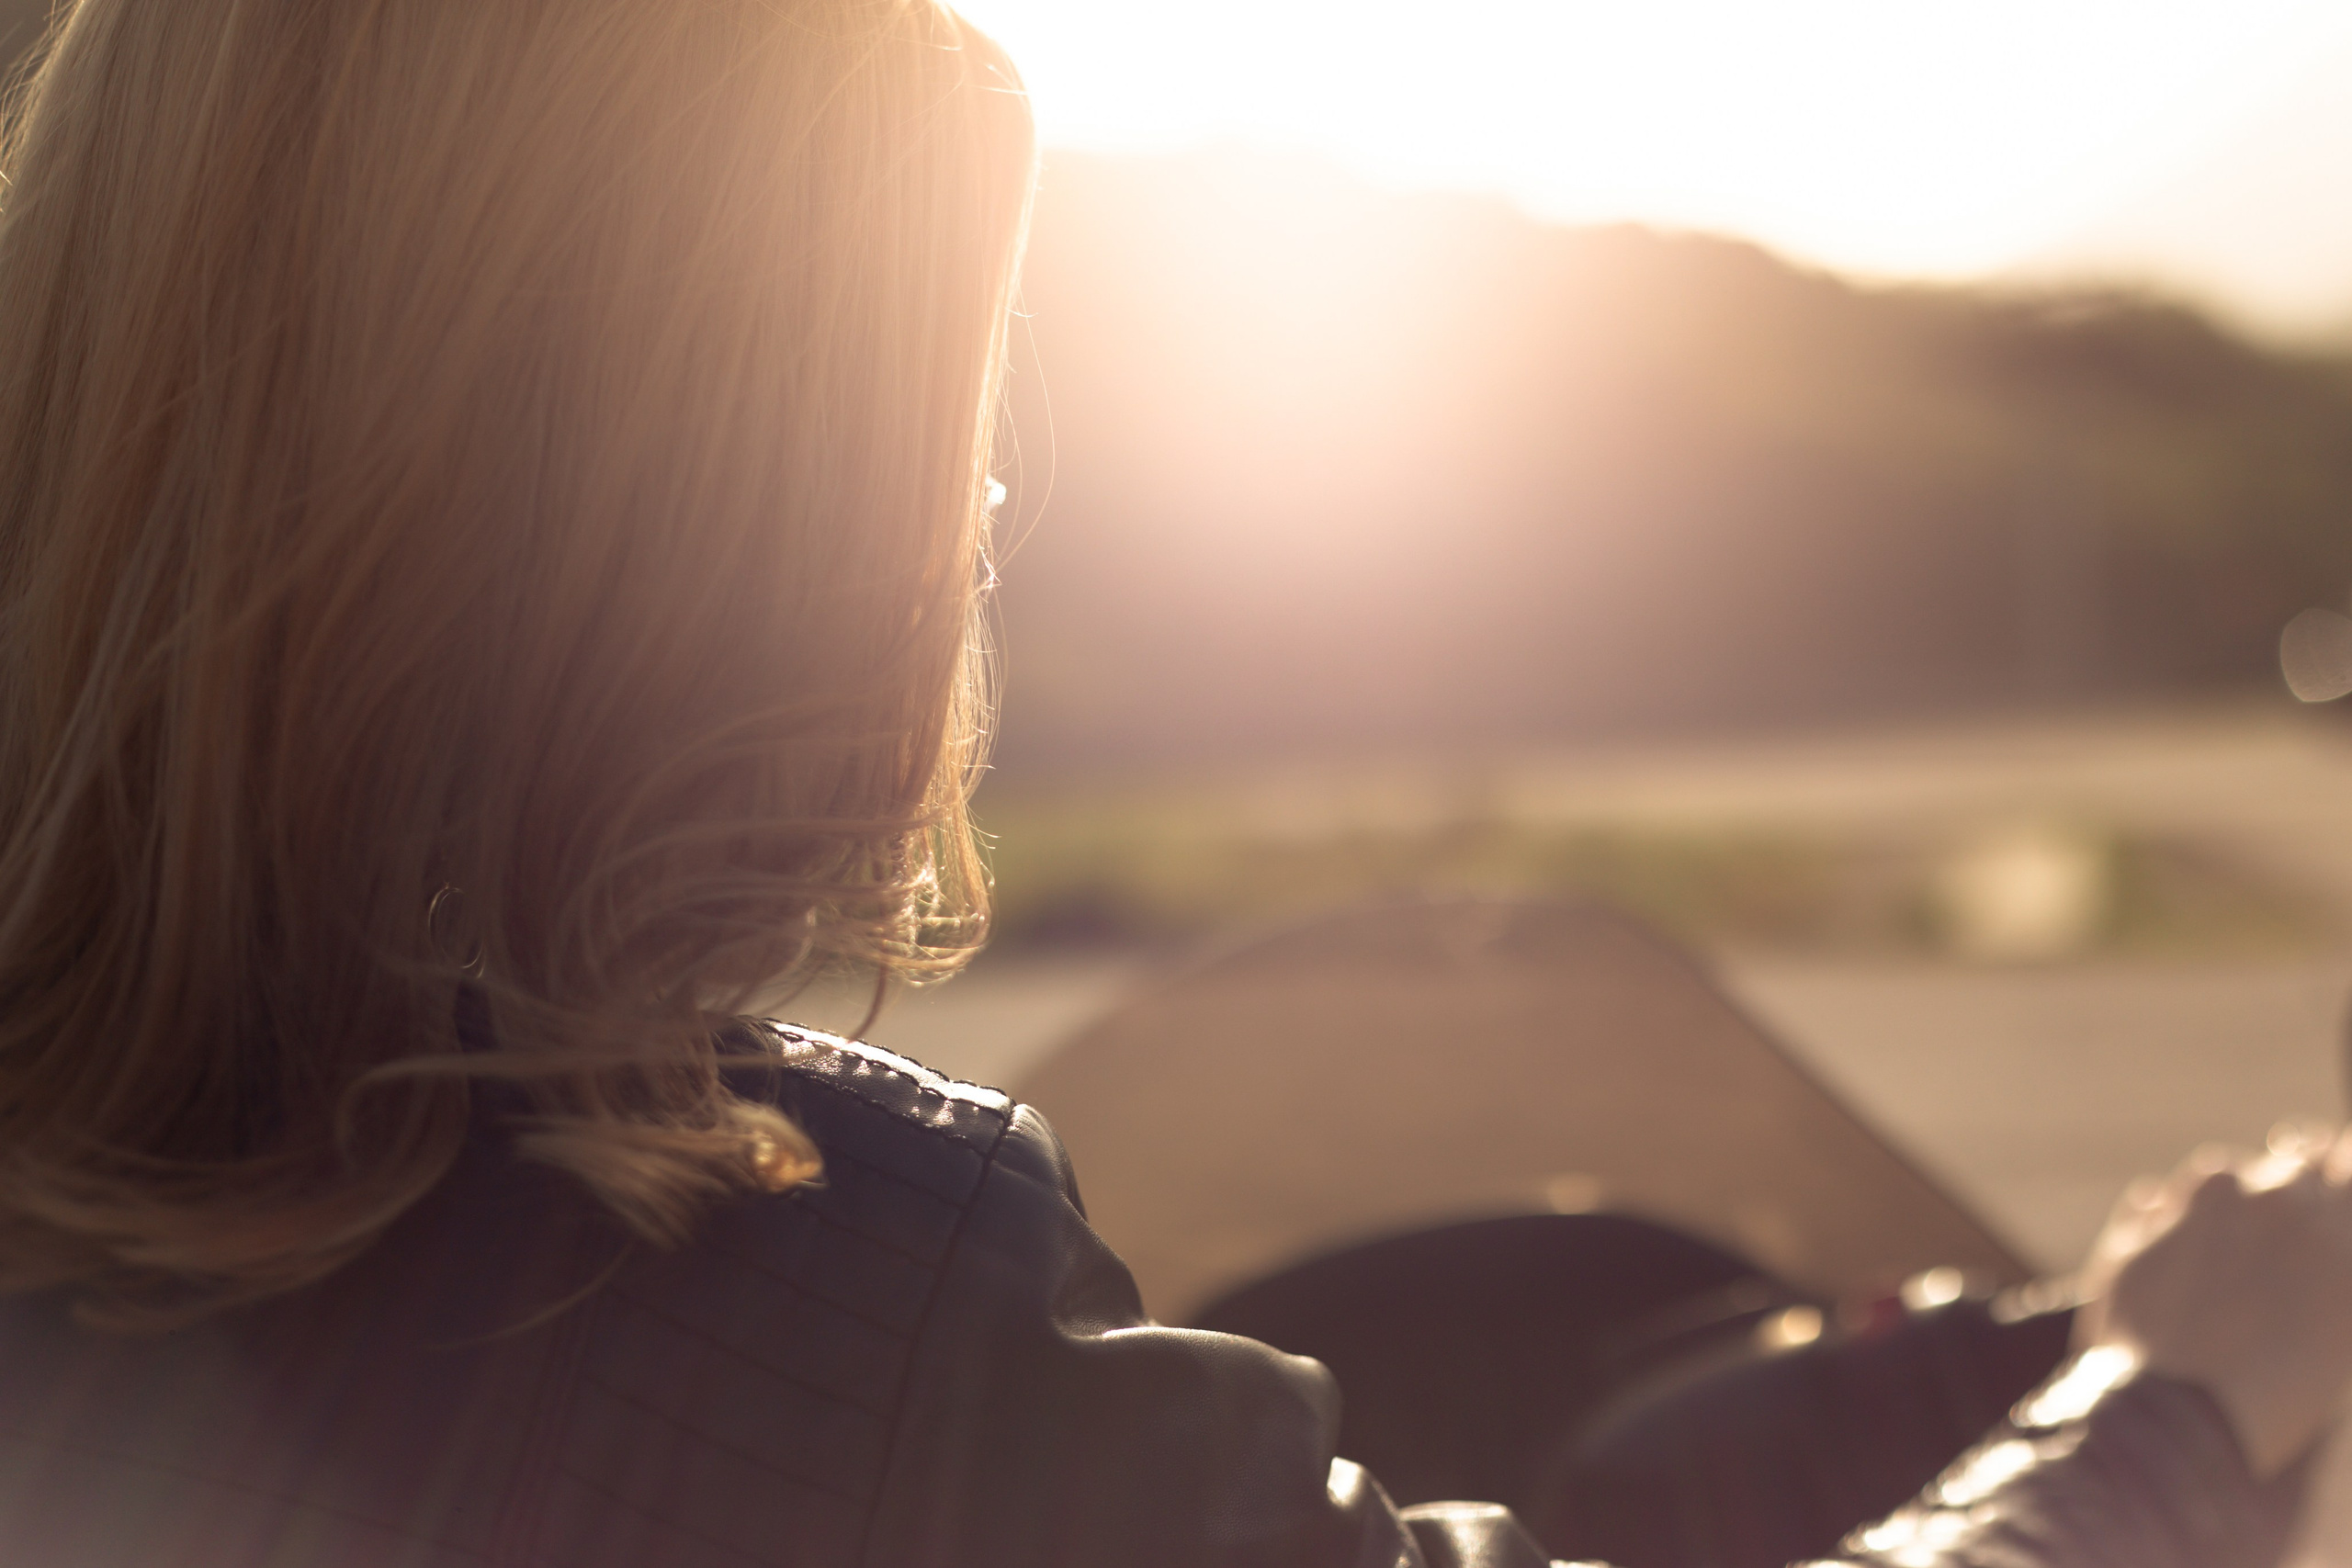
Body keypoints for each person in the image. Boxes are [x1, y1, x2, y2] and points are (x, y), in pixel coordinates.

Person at [1, 2, 2349, 1564]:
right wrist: (2169, 1400)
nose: (976, 524)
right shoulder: (836, 1312)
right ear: (747, 519)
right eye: (943, 433)